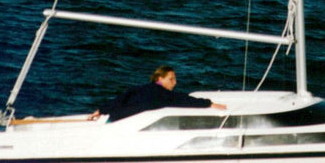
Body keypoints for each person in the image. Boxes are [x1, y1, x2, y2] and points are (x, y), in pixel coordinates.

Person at [90, 66, 226, 122]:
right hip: (123, 123)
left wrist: (101, 110)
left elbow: (122, 98)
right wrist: (210, 104)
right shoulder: (163, 94)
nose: (175, 82)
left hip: (114, 117)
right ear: (160, 79)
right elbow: (184, 100)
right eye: (171, 79)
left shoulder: (142, 88)